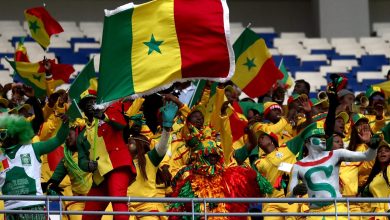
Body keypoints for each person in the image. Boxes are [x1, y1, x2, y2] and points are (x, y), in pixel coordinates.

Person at [288, 121, 380, 220]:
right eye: (318, 136)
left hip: (337, 209)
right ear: (307, 141)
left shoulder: (336, 155)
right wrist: (294, 191)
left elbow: (367, 156)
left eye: (324, 137)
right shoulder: (298, 166)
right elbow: (289, 200)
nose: (323, 139)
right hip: (314, 214)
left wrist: (373, 147)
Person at [76, 90, 137, 220]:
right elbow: (81, 159)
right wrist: (87, 165)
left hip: (117, 166)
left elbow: (122, 125)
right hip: (99, 175)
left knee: (118, 204)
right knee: (88, 216)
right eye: (86, 103)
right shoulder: (81, 135)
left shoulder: (108, 115)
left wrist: (104, 117)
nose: (90, 105)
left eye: (92, 101)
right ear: (82, 109)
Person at [0, 113, 69, 220]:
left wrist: (65, 124)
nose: (1, 137)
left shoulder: (32, 148)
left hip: (33, 206)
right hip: (10, 210)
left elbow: (58, 140)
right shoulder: (1, 157)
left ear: (14, 133)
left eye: (3, 133)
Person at [126, 101, 177, 220]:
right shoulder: (123, 161)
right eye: (128, 141)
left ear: (142, 145)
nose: (129, 142)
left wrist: (167, 127)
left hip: (147, 207)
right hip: (125, 206)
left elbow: (162, 147)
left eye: (133, 141)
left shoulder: (149, 159)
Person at [47, 125, 92, 220]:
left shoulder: (92, 151)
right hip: (78, 201)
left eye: (69, 134)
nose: (67, 138)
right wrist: (52, 189)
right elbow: (53, 182)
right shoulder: (66, 160)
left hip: (98, 197)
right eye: (65, 136)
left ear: (79, 134)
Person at [361, 141, 390, 220]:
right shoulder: (375, 175)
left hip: (385, 213)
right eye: (379, 151)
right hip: (372, 213)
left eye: (387, 150)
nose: (382, 152)